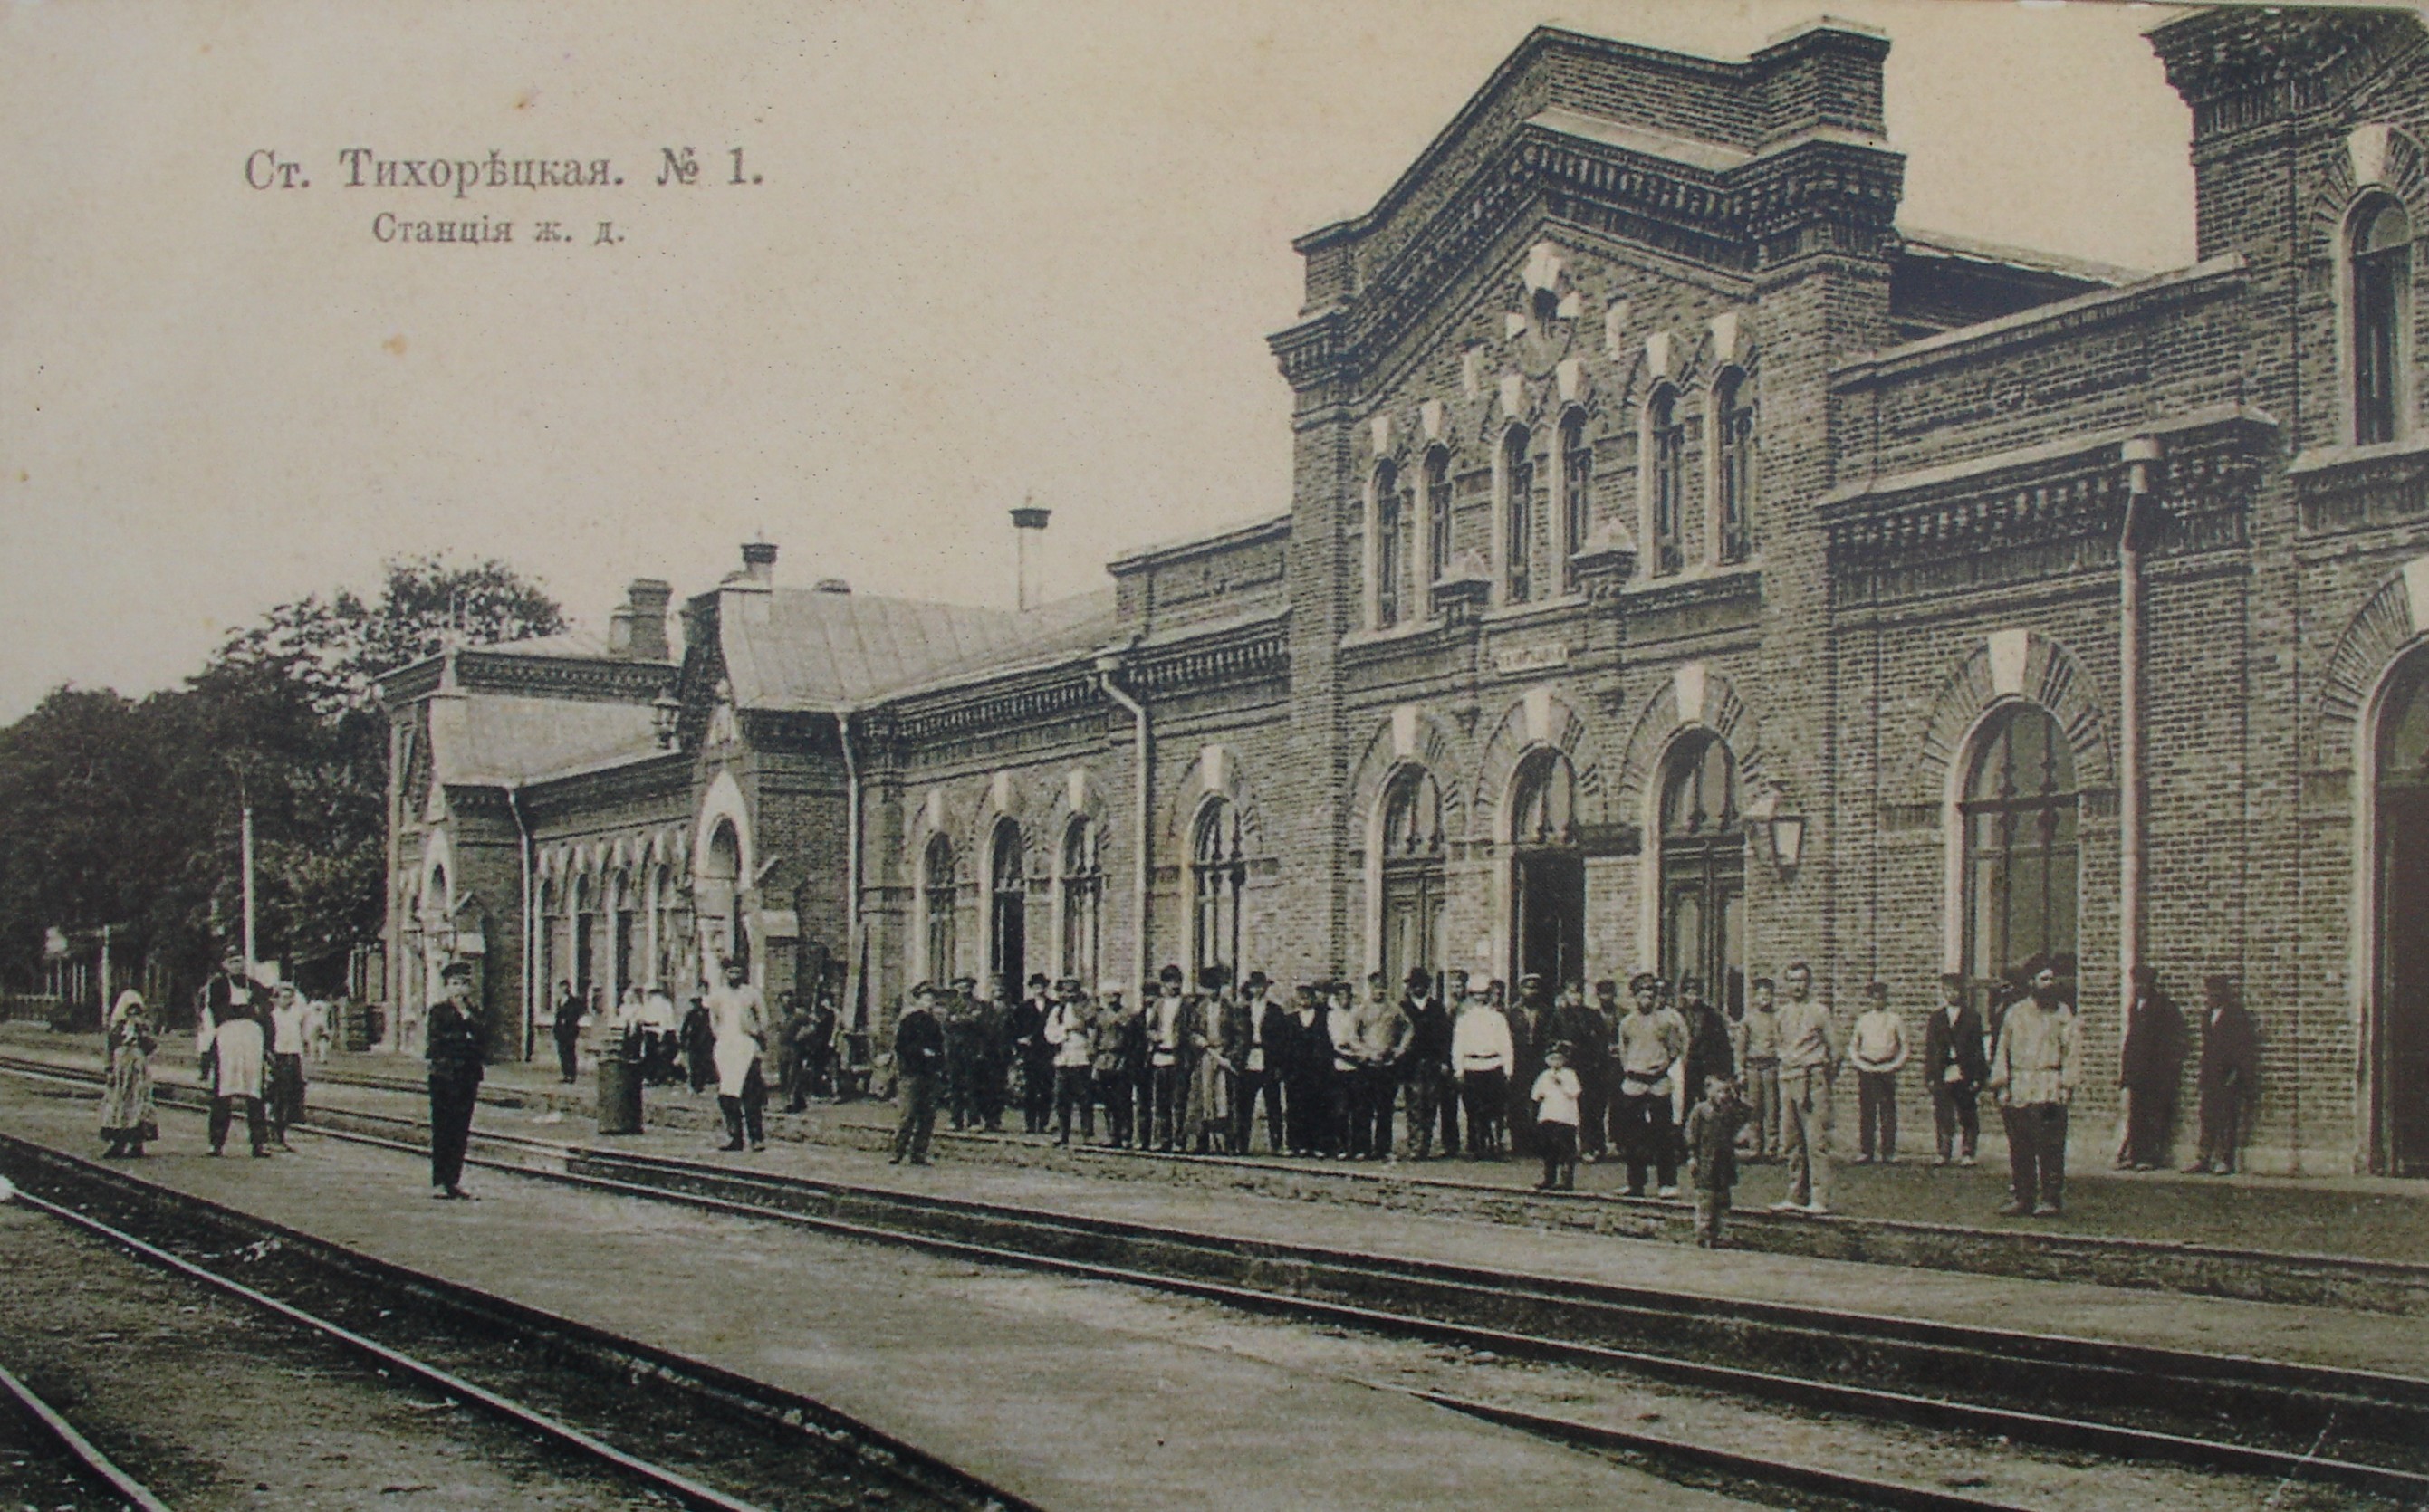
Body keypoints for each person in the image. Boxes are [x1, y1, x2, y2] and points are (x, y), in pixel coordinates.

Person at [1987, 960, 2079, 1216]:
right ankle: (2023, 1197)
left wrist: (2067, 1085)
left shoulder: (2062, 1014)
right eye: (2044, 979)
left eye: (2052, 979)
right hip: (2021, 1086)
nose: (2050, 985)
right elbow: (2002, 1050)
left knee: (2050, 1145)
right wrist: (2002, 1085)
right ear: (2032, 983)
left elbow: (2072, 1051)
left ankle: (2050, 1198)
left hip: (2049, 1086)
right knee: (2020, 1146)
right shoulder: (2015, 1013)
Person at [1771, 962, 1839, 1215]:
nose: (1796, 986)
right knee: (1791, 1141)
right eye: (1792, 980)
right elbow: (1779, 1046)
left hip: (1813, 1078)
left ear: (1808, 983)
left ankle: (1819, 1197)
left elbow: (1835, 1051)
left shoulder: (1819, 1012)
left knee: (1815, 1141)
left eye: (1801, 980)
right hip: (1789, 1077)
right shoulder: (1781, 1014)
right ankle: (1795, 1194)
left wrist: (1823, 1080)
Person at [1615, 972, 1687, 1198]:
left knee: (1663, 1135)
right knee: (1632, 1137)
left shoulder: (1665, 1022)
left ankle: (1667, 1183)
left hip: (1658, 1083)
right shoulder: (1627, 1023)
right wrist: (1633, 1068)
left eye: (1650, 994)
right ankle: (1635, 1183)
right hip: (1634, 1083)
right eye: (1641, 994)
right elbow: (1623, 1050)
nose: (1646, 999)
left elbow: (1676, 1049)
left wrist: (1660, 1066)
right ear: (1634, 997)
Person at [2184, 974, 2259, 1175]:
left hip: (2228, 1076)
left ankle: (2225, 1160)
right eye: (2210, 993)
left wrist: (2237, 1073)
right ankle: (2204, 1158)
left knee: (2227, 1118)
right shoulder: (2207, 1015)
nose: (2213, 996)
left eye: (2217, 992)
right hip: (2211, 1075)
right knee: (2207, 1117)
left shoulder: (2237, 1015)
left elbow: (2244, 1047)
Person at [425, 959, 486, 1197]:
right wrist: (464, 1037)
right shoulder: (438, 1012)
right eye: (455, 984)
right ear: (446, 987)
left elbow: (482, 1038)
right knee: (443, 1129)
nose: (460, 988)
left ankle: (454, 1180)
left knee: (461, 1129)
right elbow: (436, 1043)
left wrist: (467, 1023)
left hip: (467, 1076)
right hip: (444, 1075)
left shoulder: (474, 1012)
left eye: (463, 984)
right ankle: (440, 1180)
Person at [2117, 964, 2185, 1171]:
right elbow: (2131, 1041)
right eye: (2136, 983)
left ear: (2151, 984)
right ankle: (2135, 1155)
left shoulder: (2164, 1007)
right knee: (2136, 1114)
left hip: (2156, 1072)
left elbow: (2177, 1037)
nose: (2139, 987)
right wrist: (2127, 1071)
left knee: (2154, 1114)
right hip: (2138, 1072)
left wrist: (2170, 1065)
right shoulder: (2135, 1007)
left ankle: (2151, 1156)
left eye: (2143, 983)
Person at [1921, 972, 1989, 1166]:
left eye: (1956, 990)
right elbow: (1930, 1048)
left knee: (1967, 1111)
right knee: (1943, 1111)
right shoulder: (1937, 1018)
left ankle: (1968, 1151)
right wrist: (1930, 1075)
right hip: (1943, 1070)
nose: (1952, 994)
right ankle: (1943, 1150)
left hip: (1964, 1071)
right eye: (1948, 990)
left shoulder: (1972, 1017)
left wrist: (1978, 1076)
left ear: (1962, 992)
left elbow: (1978, 1049)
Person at [706, 958, 770, 1153]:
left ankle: (756, 1137)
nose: (734, 976)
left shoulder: (751, 994)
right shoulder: (718, 996)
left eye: (738, 972)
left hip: (746, 1046)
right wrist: (721, 1037)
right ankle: (734, 1136)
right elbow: (714, 1020)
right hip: (726, 1046)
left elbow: (764, 1019)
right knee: (727, 1095)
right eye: (731, 972)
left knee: (750, 1094)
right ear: (725, 974)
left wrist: (754, 1032)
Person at [1399, 969, 1457, 1160]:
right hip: (1412, 1063)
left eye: (1422, 985)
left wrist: (1444, 1061)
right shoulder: (1403, 1008)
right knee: (1414, 1104)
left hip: (1432, 1062)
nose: (1418, 988)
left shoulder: (1436, 1008)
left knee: (1430, 1104)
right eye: (1414, 985)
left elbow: (1444, 1037)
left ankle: (1426, 1143)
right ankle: (1415, 1144)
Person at [1684, 1076, 1747, 1249]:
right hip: (1705, 1158)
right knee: (1705, 1196)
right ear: (1708, 1091)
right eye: (1718, 1091)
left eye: (1726, 1091)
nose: (1722, 1095)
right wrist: (1692, 1156)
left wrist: (1737, 1096)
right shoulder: (1701, 1111)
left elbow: (1745, 1115)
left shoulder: (1729, 1110)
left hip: (1724, 1160)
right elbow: (1691, 1134)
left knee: (1722, 1196)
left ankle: (1721, 1231)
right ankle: (1703, 1232)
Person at [1848, 981, 1907, 1164]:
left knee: (1887, 1111)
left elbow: (1905, 1047)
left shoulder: (1895, 1020)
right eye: (1874, 997)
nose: (1878, 1001)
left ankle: (1888, 1151)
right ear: (1870, 999)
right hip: (1867, 1069)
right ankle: (1866, 1150)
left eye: (1882, 997)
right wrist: (1861, 1064)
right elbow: (1853, 1046)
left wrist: (1894, 1065)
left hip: (1886, 1069)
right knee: (1867, 1111)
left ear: (1886, 998)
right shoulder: (1863, 1020)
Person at [1452, 984, 1513, 1157]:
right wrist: (1459, 1070)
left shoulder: (1498, 1018)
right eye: (1475, 995)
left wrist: (1508, 1069)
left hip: (1493, 1065)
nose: (1479, 998)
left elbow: (1506, 1044)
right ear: (1470, 996)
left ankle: (1494, 1145)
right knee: (1473, 1109)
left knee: (1494, 1108)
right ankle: (1475, 1145)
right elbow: (1458, 1046)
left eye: (1483, 994)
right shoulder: (1464, 1019)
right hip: (1471, 1066)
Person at [889, 986, 946, 1165]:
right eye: (926, 1000)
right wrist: (921, 1052)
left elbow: (940, 1049)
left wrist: (939, 1067)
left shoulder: (934, 1024)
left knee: (927, 1117)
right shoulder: (908, 1021)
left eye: (932, 1001)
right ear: (918, 1001)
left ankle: (919, 1153)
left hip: (929, 1074)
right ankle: (897, 1152)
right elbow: (901, 1047)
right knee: (908, 1115)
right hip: (911, 1074)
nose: (929, 1004)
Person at [100, 990, 159, 1158]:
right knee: (119, 1103)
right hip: (121, 1070)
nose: (133, 1015)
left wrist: (141, 1034)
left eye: (137, 1011)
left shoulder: (143, 1028)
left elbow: (151, 1047)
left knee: (138, 1102)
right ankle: (118, 1141)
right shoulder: (117, 1030)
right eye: (130, 1011)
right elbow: (109, 1050)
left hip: (137, 1070)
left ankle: (137, 1142)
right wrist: (109, 1069)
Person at [1234, 972, 1287, 1154]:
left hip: (1268, 1059)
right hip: (1248, 1059)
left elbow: (1281, 1040)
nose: (1258, 990)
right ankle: (1242, 1144)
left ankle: (1277, 1144)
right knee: (1244, 1104)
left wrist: (1279, 1065)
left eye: (1261, 986)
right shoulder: (1242, 1011)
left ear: (1266, 988)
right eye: (1254, 986)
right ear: (1250, 988)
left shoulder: (1275, 1011)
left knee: (1273, 1104)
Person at [1186, 966, 1237, 1153]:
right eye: (1208, 988)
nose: (1212, 992)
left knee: (1223, 1099)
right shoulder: (1199, 1009)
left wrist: (1229, 1056)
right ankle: (1203, 1140)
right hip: (1205, 1057)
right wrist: (1197, 1040)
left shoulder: (1230, 1008)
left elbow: (1239, 1035)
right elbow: (1191, 1031)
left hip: (1223, 1057)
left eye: (1215, 988)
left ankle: (1227, 1142)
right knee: (1204, 1099)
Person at [1736, 976, 1782, 1161]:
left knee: (1772, 1108)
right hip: (1753, 1068)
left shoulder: (1778, 1018)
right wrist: (1741, 1071)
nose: (1765, 998)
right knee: (1754, 1109)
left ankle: (1772, 1148)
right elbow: (1740, 1048)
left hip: (1771, 1067)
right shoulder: (1748, 1020)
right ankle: (1755, 1147)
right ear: (1754, 997)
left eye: (1768, 994)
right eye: (1761, 994)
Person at [1044, 983, 1096, 1146]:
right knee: (1061, 1098)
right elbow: (1050, 1033)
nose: (1069, 995)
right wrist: (1065, 1030)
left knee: (1084, 1098)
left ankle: (1087, 1134)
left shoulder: (1087, 1009)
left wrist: (1082, 1031)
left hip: (1081, 1057)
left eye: (1072, 992)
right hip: (1064, 1057)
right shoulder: (1058, 1011)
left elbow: (1093, 1031)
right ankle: (1062, 1133)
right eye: (1065, 992)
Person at [1091, 986, 1142, 1147]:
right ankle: (1112, 1134)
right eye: (1108, 996)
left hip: (1122, 1058)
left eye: (1114, 995)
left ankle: (1126, 1136)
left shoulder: (1128, 1015)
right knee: (1108, 1100)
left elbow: (1133, 1039)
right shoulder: (1100, 1016)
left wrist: (1128, 1059)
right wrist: (1094, 1060)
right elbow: (1095, 1038)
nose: (1111, 999)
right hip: (1104, 1059)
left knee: (1123, 1099)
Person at [1283, 983, 1331, 1156]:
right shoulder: (1290, 1019)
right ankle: (1297, 1144)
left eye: (1307, 997)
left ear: (1313, 999)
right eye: (1301, 997)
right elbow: (1286, 1046)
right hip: (1296, 1069)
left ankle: (1318, 1145)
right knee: (1295, 1107)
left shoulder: (1322, 1017)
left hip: (1317, 1069)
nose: (1304, 1001)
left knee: (1317, 1106)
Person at [1504, 974, 1548, 1159]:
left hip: (1538, 1062)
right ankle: (1519, 1144)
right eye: (1528, 988)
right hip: (1518, 1061)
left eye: (1535, 988)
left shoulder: (1546, 1012)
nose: (1532, 992)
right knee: (1517, 1103)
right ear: (1521, 990)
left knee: (1538, 1102)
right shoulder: (1511, 1013)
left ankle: (1538, 1143)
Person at [1147, 964, 1190, 1152]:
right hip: (1160, 1057)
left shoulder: (1187, 1006)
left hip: (1179, 1057)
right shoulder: (1159, 1005)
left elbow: (1191, 1029)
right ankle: (1163, 1139)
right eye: (1170, 982)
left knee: (1179, 1102)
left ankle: (1178, 1141)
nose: (1174, 985)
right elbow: (1150, 1028)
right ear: (1163, 984)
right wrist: (1153, 1035)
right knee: (1161, 1102)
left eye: (1177, 981)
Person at [1530, 1041, 1582, 1191]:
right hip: (1549, 1116)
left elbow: (1575, 1092)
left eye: (1559, 1059)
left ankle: (1566, 1180)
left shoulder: (1570, 1075)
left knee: (1566, 1149)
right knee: (1549, 1149)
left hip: (1566, 1118)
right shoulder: (1544, 1075)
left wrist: (1562, 1084)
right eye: (1552, 1059)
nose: (1556, 1062)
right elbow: (1536, 1095)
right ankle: (1549, 1178)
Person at [1009, 972, 1056, 1135]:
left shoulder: (1054, 1006)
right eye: (1036, 987)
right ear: (1031, 989)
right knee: (1030, 1089)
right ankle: (1030, 1124)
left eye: (1042, 987)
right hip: (1030, 1053)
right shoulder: (1024, 1007)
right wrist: (1020, 1041)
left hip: (1047, 1052)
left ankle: (1043, 1123)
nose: (1039, 990)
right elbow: (1013, 1029)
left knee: (1046, 1089)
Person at [267, 983, 310, 1152]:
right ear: (275, 1000)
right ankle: (274, 1132)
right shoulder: (272, 1017)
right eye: (284, 997)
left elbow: (302, 1006)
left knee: (293, 1096)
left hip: (294, 1056)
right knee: (278, 1096)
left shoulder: (296, 1015)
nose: (288, 1001)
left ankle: (282, 1130)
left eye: (290, 997)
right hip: (279, 1057)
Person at [641, 981, 682, 1086]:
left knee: (657, 1057)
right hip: (656, 1031)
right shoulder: (664, 1003)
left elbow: (663, 1020)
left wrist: (661, 1034)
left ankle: (658, 1077)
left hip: (658, 1032)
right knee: (658, 1057)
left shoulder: (659, 1003)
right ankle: (659, 1077)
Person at [680, 991, 715, 1094]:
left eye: (698, 1002)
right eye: (694, 1002)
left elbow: (712, 1026)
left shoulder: (707, 1013)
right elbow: (684, 1029)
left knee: (703, 1064)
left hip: (706, 1043)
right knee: (694, 1065)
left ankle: (701, 1084)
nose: (696, 1004)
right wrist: (683, 1042)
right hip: (694, 1043)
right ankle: (695, 1085)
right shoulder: (690, 1014)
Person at [552, 980, 584, 1084]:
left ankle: (572, 1075)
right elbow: (557, 1017)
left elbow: (578, 1013)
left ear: (569, 988)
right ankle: (565, 1074)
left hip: (570, 1030)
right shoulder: (559, 1001)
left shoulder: (574, 1001)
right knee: (562, 1053)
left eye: (566, 987)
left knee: (570, 1052)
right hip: (561, 1031)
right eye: (562, 987)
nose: (564, 989)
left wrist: (569, 1020)